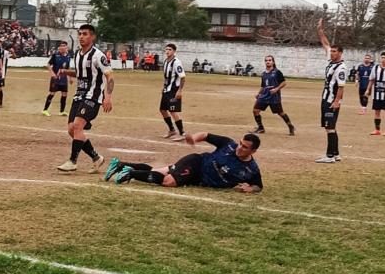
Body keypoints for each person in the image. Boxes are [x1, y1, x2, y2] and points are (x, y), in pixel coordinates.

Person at [103, 132, 263, 193]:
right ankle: (131, 173)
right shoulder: (229, 144)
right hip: (197, 163)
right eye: (241, 143)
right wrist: (193, 139)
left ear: (253, 151)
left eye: (245, 147)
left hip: (199, 180)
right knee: (169, 181)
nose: (239, 148)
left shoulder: (251, 169)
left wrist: (251, 188)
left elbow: (258, 186)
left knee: (159, 171)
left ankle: (121, 165)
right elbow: (206, 135)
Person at [56, 24, 114, 173]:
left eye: (85, 34)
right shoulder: (77, 54)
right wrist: (66, 72)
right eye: (80, 34)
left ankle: (72, 161)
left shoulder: (98, 55)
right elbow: (81, 74)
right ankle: (96, 157)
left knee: (77, 126)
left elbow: (110, 77)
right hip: (79, 96)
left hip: (93, 97)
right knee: (72, 130)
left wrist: (107, 97)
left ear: (92, 36)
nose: (81, 36)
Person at [315, 18, 346, 163]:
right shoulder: (331, 61)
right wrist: (320, 29)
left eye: (334, 51)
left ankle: (329, 156)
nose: (331, 53)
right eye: (331, 51)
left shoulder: (341, 68)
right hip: (326, 98)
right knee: (331, 127)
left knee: (329, 127)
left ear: (340, 53)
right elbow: (325, 42)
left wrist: (336, 101)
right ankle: (336, 153)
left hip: (330, 100)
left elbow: (341, 87)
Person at [251, 55, 296, 135]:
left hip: (274, 97)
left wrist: (276, 89)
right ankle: (261, 128)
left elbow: (284, 83)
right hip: (264, 96)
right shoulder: (263, 74)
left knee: (280, 113)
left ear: (273, 62)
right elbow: (263, 86)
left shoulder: (277, 72)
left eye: (270, 60)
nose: (268, 62)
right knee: (255, 110)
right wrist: (258, 93)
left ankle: (290, 126)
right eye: (266, 60)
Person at [160, 43, 187, 141]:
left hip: (174, 90)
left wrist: (179, 91)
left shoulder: (176, 62)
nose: (167, 51)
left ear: (174, 51)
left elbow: (183, 77)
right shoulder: (166, 61)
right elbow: (167, 77)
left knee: (172, 111)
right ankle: (172, 130)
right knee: (163, 110)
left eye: (170, 49)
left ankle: (182, 133)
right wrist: (164, 87)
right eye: (166, 49)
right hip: (166, 90)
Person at [365, 51, 385, 136]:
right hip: (376, 94)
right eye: (382, 58)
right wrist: (368, 90)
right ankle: (377, 130)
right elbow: (371, 79)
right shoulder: (375, 68)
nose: (383, 59)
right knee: (377, 112)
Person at [42, 41, 71, 117]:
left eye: (64, 46)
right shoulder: (55, 55)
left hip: (64, 79)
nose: (62, 47)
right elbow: (48, 65)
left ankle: (62, 111)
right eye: (61, 46)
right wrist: (52, 73)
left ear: (66, 47)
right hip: (55, 79)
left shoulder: (68, 56)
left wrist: (70, 77)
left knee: (64, 94)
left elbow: (68, 68)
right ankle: (45, 110)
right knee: (52, 93)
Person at [0, 38, 10, 107]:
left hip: (1, 72)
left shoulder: (5, 52)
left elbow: (14, 57)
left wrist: (13, 53)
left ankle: (0, 102)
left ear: (0, 43)